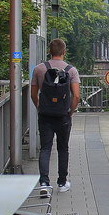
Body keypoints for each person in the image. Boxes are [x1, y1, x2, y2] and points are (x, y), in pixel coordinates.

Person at [30, 39, 81, 193]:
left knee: (45, 148)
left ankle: (44, 183)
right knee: (63, 148)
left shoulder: (39, 69)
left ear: (49, 51)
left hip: (45, 115)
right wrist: (69, 112)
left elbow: (33, 94)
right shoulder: (71, 70)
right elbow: (76, 96)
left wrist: (40, 107)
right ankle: (62, 182)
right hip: (63, 116)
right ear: (64, 52)